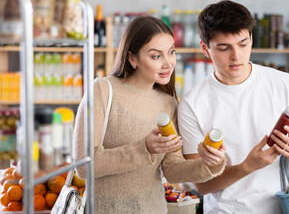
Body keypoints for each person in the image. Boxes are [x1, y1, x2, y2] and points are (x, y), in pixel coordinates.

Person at [178, 0, 289, 214]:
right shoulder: (193, 103)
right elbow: (201, 185)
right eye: (224, 48)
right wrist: (248, 166)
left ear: (251, 39)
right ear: (205, 48)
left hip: (284, 209)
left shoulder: (283, 84)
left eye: (243, 43)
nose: (236, 56)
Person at [73, 15, 226, 214]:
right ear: (132, 58)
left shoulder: (167, 103)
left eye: (171, 52)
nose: (168, 63)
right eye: (156, 56)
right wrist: (143, 148)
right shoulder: (102, 91)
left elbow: (172, 169)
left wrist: (209, 164)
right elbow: (83, 166)